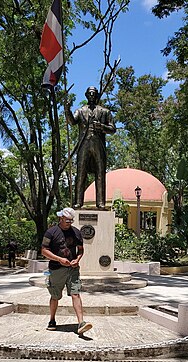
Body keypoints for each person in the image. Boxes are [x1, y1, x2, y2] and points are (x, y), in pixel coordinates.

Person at [41, 207, 92, 335]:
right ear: (61, 218)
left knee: (76, 293)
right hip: (56, 269)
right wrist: (59, 259)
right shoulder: (51, 232)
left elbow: (80, 250)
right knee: (55, 296)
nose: (69, 222)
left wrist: (77, 259)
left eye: (71, 220)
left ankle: (81, 323)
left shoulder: (76, 232)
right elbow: (44, 251)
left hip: (72, 269)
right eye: (67, 220)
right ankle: (52, 320)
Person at [66, 86, 116, 209]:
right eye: (90, 93)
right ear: (86, 95)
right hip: (84, 144)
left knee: (100, 174)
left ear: (97, 95)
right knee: (81, 173)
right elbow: (72, 121)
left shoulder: (105, 112)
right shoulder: (81, 111)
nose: (92, 95)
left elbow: (113, 129)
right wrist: (67, 110)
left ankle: (100, 202)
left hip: (98, 145)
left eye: (94, 93)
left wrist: (102, 127)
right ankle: (78, 202)